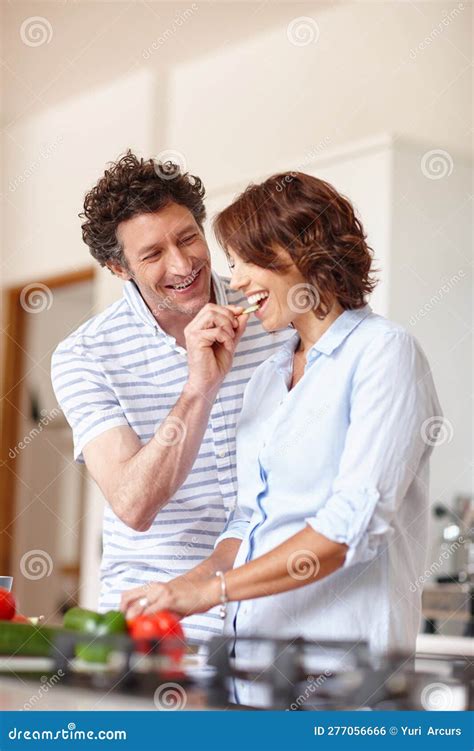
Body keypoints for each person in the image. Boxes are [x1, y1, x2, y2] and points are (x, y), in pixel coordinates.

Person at [121, 172, 442, 694]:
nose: (238, 280)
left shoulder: (384, 354)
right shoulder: (267, 377)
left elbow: (347, 531)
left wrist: (212, 593)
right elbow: (249, 520)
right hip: (250, 674)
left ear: (305, 252)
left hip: (343, 681)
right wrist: (181, 587)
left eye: (250, 260)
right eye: (233, 263)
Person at [51, 152, 292, 644]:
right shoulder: (86, 356)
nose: (183, 265)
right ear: (118, 267)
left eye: (187, 238)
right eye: (153, 254)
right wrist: (198, 388)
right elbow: (134, 505)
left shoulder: (268, 314)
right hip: (158, 622)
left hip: (274, 606)